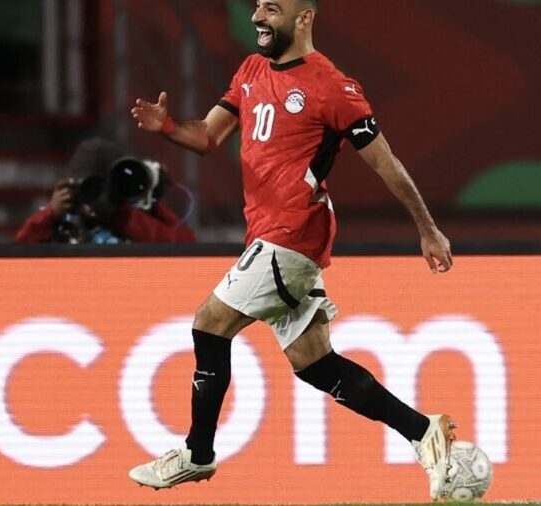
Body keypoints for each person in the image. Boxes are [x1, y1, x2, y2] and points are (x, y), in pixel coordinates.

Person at [127, 0, 456, 499]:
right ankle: (423, 432)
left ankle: (197, 453)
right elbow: (209, 136)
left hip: (293, 231)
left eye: (272, 8)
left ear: (303, 18)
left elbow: (385, 163)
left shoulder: (333, 87)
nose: (259, 17)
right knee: (314, 362)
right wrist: (169, 128)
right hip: (268, 233)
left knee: (209, 322)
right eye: (258, 6)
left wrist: (427, 229)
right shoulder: (252, 69)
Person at [14, 138, 196, 244]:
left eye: (108, 187)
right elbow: (17, 253)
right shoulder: (59, 219)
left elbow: (186, 247)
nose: (100, 196)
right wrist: (51, 214)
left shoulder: (135, 214)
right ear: (71, 185)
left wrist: (122, 217)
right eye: (91, 187)